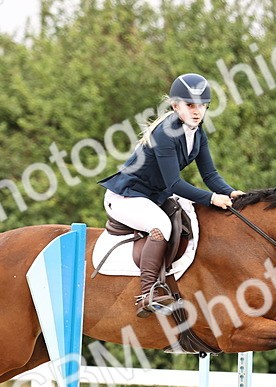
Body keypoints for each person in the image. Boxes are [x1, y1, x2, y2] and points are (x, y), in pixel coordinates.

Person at [100, 73, 244, 317]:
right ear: (175, 106)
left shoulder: (197, 133)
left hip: (153, 197)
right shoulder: (165, 134)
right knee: (161, 226)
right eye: (190, 105)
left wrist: (231, 192)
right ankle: (148, 293)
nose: (197, 111)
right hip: (125, 197)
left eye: (202, 105)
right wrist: (211, 198)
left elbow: (210, 175)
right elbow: (175, 184)